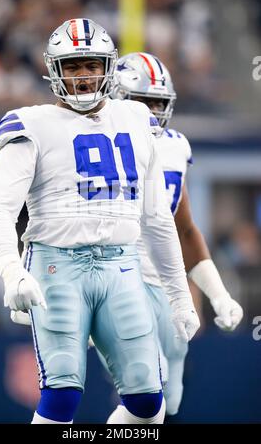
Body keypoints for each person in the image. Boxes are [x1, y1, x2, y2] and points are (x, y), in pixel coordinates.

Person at [0, 19, 200, 425]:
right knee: (61, 396)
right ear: (54, 71)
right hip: (56, 266)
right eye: (73, 66)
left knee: (149, 402)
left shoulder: (137, 118)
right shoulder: (31, 123)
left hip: (122, 265)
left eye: (91, 64)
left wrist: (179, 296)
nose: (83, 76)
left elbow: (157, 219)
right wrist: (13, 273)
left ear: (108, 66)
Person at [104, 52, 243, 417]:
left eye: (157, 103)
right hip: (111, 282)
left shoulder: (175, 146)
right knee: (148, 392)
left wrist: (219, 295)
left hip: (161, 288)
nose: (151, 112)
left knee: (166, 400)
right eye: (142, 102)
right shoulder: (95, 142)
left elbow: (184, 229)